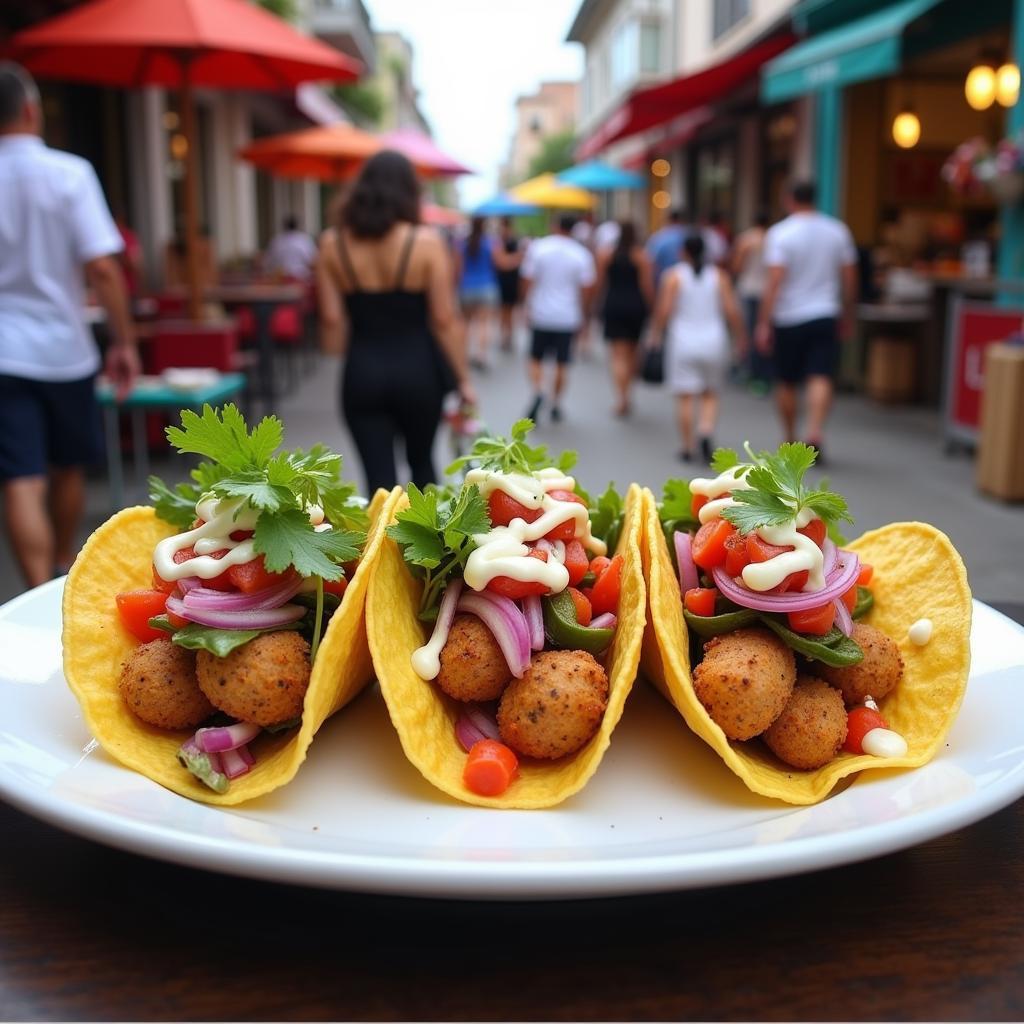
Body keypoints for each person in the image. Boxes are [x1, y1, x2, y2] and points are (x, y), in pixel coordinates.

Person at [0, 63, 139, 590]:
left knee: (20, 477)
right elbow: (102, 266)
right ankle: (59, 565)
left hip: (4, 353)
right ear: (32, 111)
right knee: (69, 467)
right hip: (64, 350)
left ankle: (35, 584)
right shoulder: (69, 173)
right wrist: (124, 342)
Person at [317, 150, 474, 494]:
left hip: (362, 370)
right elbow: (444, 319)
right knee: (423, 467)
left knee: (378, 484)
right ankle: (425, 546)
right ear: (408, 192)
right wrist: (463, 379)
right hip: (419, 371)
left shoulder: (332, 243)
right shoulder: (427, 243)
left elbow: (331, 322)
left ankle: (379, 545)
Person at [755, 181, 858, 461]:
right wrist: (847, 311)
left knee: (786, 379)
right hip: (825, 311)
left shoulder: (780, 233)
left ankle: (789, 438)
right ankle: (814, 431)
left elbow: (774, 280)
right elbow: (849, 276)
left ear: (789, 199)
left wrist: (764, 321)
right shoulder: (837, 231)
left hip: (788, 316)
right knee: (820, 374)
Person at [652, 234, 746, 463]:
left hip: (683, 342)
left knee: (685, 396)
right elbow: (731, 310)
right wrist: (741, 336)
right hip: (714, 341)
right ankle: (705, 430)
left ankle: (687, 445)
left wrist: (655, 333)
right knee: (710, 393)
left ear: (683, 251)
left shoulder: (674, 276)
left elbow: (664, 310)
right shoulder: (719, 276)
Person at [520, 213, 596, 424]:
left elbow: (527, 279)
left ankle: (538, 390)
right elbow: (587, 288)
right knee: (562, 363)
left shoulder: (539, 248)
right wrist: (584, 313)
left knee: (536, 358)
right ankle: (555, 402)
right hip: (567, 315)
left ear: (555, 225)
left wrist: (525, 305)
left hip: (541, 313)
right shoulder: (581, 254)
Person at [595, 220, 654, 417]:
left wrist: (595, 305)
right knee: (633, 351)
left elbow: (600, 283)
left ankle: (622, 398)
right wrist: (652, 308)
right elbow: (647, 286)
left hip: (613, 305)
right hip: (635, 307)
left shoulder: (606, 255)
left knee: (617, 355)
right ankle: (628, 392)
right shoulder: (642, 256)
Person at [731, 210, 771, 394]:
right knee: (763, 331)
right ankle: (763, 373)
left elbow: (737, 267)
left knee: (746, 330)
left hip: (748, 289)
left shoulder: (746, 240)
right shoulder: (775, 239)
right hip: (767, 291)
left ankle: (747, 369)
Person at [454, 216, 499, 369]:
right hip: (486, 287)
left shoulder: (461, 243)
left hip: (466, 287)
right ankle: (481, 355)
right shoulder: (491, 242)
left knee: (466, 324)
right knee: (483, 325)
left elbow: (458, 270)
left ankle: (462, 355)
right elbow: (499, 263)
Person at [493, 216, 524, 352]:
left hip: (510, 281)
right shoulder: (499, 242)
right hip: (504, 280)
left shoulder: (513, 242)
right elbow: (502, 262)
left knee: (508, 311)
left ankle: (507, 336)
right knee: (504, 311)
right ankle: (505, 336)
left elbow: (506, 261)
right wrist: (514, 259)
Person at [263, 214, 318, 282]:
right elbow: (312, 260)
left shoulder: (277, 240)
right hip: (301, 278)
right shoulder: (304, 239)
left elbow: (268, 261)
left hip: (282, 279)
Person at [646, 208, 689, 288]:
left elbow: (650, 262)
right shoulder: (688, 235)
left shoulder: (658, 237)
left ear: (669, 220)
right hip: (687, 283)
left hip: (663, 283)